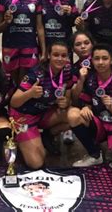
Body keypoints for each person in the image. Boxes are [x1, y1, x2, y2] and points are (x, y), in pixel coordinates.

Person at [9, 41, 73, 169]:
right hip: (24, 116)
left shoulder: (67, 71)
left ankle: (46, 135)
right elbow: (14, 102)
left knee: (77, 116)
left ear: (68, 57)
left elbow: (67, 92)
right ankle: (20, 140)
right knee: (36, 162)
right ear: (48, 55)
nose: (60, 59)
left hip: (44, 113)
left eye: (63, 55)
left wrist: (66, 101)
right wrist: (30, 93)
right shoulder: (36, 73)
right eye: (56, 55)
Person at [67, 44, 112, 170]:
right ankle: (95, 154)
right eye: (96, 59)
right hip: (100, 125)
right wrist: (86, 107)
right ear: (92, 60)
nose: (100, 62)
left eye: (104, 58)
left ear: (111, 60)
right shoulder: (90, 80)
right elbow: (88, 102)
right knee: (73, 115)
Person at [0, 0, 46, 85]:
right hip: (10, 45)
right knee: (11, 82)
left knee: (26, 81)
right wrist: (6, 22)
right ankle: (12, 103)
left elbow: (39, 27)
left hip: (29, 45)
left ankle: (23, 104)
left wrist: (43, 51)